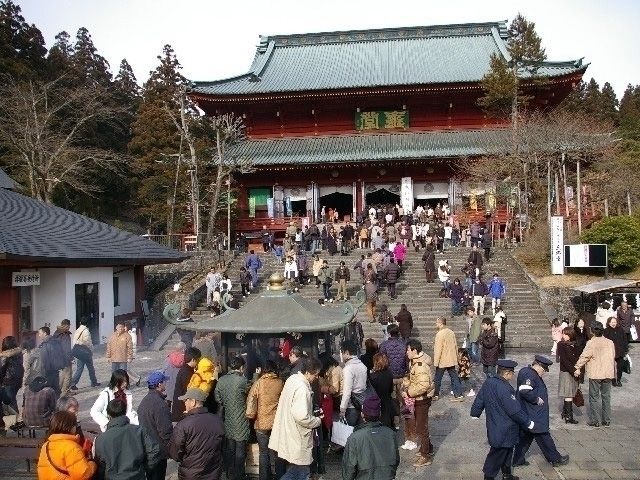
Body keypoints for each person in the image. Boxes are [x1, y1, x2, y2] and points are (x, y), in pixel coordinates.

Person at [470, 359, 535, 480]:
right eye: (512, 373)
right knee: (497, 455)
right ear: (506, 373)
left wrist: (475, 412)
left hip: (495, 425)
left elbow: (480, 399)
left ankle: (507, 474)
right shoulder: (505, 388)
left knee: (508, 451)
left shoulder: (489, 382)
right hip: (506, 428)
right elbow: (514, 410)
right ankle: (488, 477)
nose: (513, 375)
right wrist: (528, 422)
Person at [269, 357, 323, 480]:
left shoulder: (292, 379)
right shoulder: (302, 389)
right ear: (308, 372)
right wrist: (317, 420)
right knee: (301, 471)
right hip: (297, 436)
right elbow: (302, 417)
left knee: (297, 471)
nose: (316, 377)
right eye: (315, 374)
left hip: (288, 430)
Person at [513, 355, 569, 468]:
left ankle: (517, 460)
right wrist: (536, 399)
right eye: (543, 370)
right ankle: (555, 459)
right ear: (538, 366)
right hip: (534, 413)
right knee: (543, 435)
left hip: (529, 413)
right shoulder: (529, 374)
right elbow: (524, 391)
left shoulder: (529, 372)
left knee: (525, 437)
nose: (543, 373)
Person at [94, 399, 160, 480]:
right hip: (137, 476)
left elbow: (100, 467)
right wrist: (146, 468)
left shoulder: (100, 440)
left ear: (108, 415)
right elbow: (154, 451)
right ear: (125, 412)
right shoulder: (139, 431)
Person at [170, 387, 225, 480]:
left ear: (193, 402)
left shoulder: (183, 425)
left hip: (191, 475)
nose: (184, 403)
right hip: (213, 473)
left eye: (186, 400)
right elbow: (222, 446)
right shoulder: (217, 421)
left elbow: (175, 453)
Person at [341, 394, 400, 480]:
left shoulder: (355, 437)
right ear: (379, 414)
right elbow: (396, 460)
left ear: (362, 414)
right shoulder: (391, 434)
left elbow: (349, 469)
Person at [246, 360, 286, 480]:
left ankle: (264, 477)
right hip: (276, 422)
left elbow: (251, 399)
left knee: (263, 452)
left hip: (261, 423)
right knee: (278, 452)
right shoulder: (280, 382)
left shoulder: (259, 383)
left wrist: (250, 414)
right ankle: (280, 476)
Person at [574, 321, 615, 427]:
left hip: (595, 373)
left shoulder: (591, 343)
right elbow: (612, 356)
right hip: (608, 372)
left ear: (592, 331)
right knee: (606, 397)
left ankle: (595, 420)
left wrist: (577, 367)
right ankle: (606, 420)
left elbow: (585, 356)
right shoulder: (610, 342)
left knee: (594, 397)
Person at [215, 356, 250, 480]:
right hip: (241, 420)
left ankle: (230, 474)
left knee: (230, 449)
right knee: (240, 451)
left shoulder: (221, 380)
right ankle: (239, 476)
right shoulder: (242, 381)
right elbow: (251, 394)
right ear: (242, 367)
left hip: (228, 420)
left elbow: (218, 398)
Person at [37, 410, 97, 480]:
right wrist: (92, 462)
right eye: (75, 425)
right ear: (70, 427)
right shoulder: (72, 447)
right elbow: (83, 474)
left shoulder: (46, 445)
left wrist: (81, 453)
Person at [404, 339, 435, 467]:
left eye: (408, 350)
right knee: (420, 425)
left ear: (414, 350)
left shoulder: (420, 365)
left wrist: (409, 392)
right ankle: (428, 447)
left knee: (421, 428)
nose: (406, 352)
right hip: (418, 398)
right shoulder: (415, 361)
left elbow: (423, 385)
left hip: (422, 399)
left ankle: (425, 456)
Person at [138, 371, 173, 480]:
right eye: (164, 382)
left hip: (147, 448)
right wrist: (172, 449)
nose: (165, 384)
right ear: (159, 384)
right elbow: (165, 431)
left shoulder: (144, 401)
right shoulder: (159, 404)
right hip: (158, 451)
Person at [433, 317, 464, 401]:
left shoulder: (440, 334)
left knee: (438, 378)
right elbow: (455, 346)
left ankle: (435, 394)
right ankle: (459, 395)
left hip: (442, 360)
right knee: (454, 377)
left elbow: (438, 349)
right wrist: (456, 357)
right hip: (451, 359)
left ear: (441, 323)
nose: (436, 324)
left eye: (437, 322)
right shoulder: (451, 332)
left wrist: (436, 362)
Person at [341, 340, 368, 426]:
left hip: (351, 406)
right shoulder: (362, 366)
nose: (341, 355)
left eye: (342, 352)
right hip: (362, 403)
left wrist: (342, 408)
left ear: (347, 352)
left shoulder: (348, 369)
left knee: (349, 431)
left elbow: (347, 391)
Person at [0, 335, 23, 434]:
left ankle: (15, 424)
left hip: (8, 381)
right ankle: (16, 423)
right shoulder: (19, 353)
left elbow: (1, 370)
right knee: (13, 401)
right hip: (17, 381)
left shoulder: (4, 356)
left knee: (10, 403)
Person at [557, 327, 580, 424]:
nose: (564, 336)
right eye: (563, 334)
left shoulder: (575, 344)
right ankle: (569, 417)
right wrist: (574, 370)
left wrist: (578, 369)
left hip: (575, 371)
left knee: (571, 392)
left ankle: (565, 412)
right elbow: (564, 360)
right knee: (568, 394)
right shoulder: (561, 344)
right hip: (567, 372)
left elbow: (578, 358)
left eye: (566, 334)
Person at [70, 317, 99, 390]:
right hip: (85, 353)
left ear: (80, 323)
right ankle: (94, 382)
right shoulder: (86, 331)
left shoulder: (77, 330)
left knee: (79, 369)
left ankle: (73, 383)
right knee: (91, 368)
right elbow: (87, 342)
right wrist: (91, 350)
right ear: (87, 323)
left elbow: (74, 341)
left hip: (79, 352)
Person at [369, 353, 394, 429]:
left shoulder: (373, 376)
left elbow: (370, 392)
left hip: (376, 404)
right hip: (387, 401)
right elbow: (391, 389)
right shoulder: (389, 373)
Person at [172, 348, 198, 421]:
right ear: (193, 359)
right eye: (198, 360)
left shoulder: (185, 369)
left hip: (180, 408)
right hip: (182, 410)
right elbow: (188, 392)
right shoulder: (187, 373)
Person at [604, 316, 628, 387]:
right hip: (611, 352)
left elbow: (625, 340)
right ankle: (613, 380)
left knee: (620, 367)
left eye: (615, 322)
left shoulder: (620, 329)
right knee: (612, 367)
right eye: (612, 322)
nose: (613, 323)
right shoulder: (606, 331)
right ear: (609, 323)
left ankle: (619, 380)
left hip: (620, 352)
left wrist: (625, 350)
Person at [54, 319, 73, 395]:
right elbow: (66, 348)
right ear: (66, 325)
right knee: (68, 375)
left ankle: (57, 390)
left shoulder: (56, 333)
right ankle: (65, 392)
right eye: (69, 326)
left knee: (62, 374)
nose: (69, 327)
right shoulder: (65, 334)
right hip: (65, 358)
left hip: (58, 357)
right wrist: (71, 358)